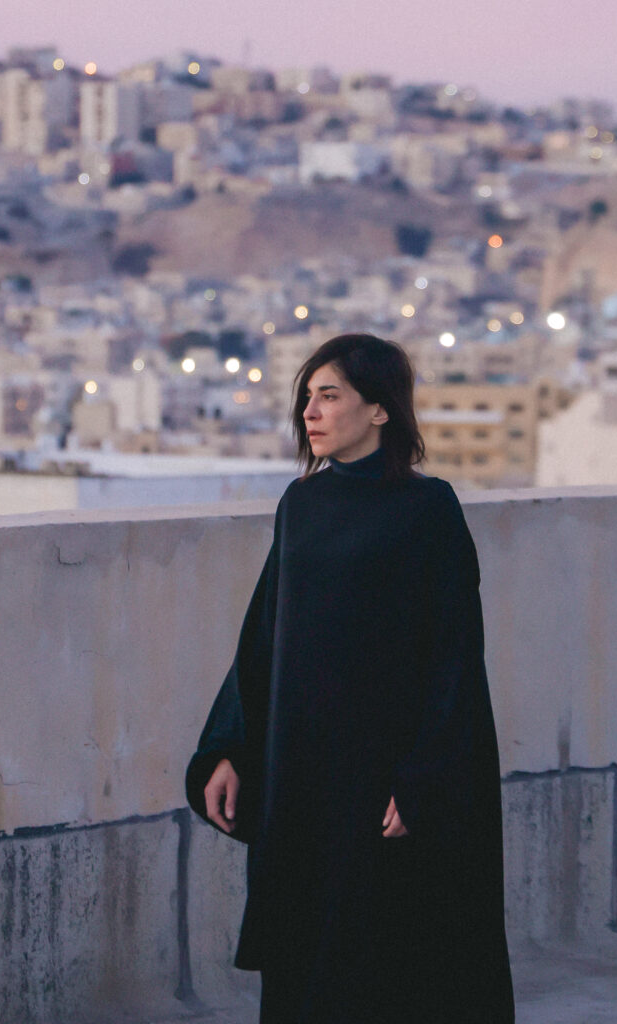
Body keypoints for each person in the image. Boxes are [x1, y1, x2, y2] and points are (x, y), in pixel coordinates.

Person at [185, 333, 515, 1023]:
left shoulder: (429, 509)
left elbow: (454, 658)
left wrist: (423, 779)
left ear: (380, 409)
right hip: (301, 780)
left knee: (387, 965)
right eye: (307, 396)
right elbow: (264, 638)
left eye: (329, 395)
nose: (310, 411)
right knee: (304, 965)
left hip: (381, 784)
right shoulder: (300, 504)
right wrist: (230, 749)